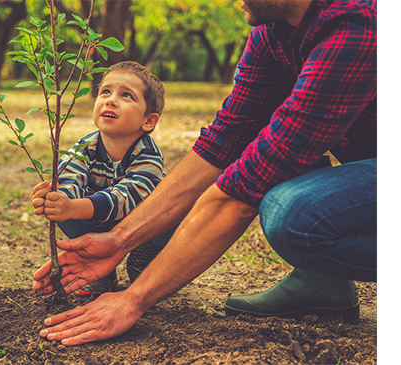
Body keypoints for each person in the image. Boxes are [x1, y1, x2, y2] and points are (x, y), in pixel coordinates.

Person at [31, 0, 377, 346]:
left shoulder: (357, 25)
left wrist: (133, 298)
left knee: (292, 213)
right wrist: (119, 239)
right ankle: (323, 283)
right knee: (277, 153)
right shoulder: (271, 33)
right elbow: (223, 143)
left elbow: (243, 191)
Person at [31, 61, 175, 296]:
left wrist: (76, 207)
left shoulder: (148, 154)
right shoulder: (86, 146)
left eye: (126, 95)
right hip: (99, 220)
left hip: (142, 224)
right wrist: (57, 200)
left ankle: (148, 257)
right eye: (105, 92)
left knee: (174, 217)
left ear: (148, 121)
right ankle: (102, 271)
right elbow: (70, 178)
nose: (110, 100)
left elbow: (127, 198)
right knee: (66, 214)